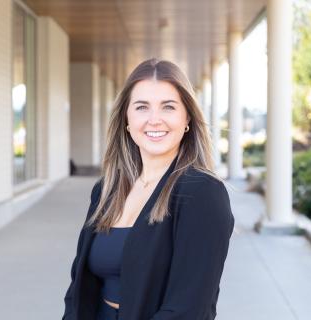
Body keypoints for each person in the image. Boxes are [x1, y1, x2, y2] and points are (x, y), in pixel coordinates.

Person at [62, 58, 235, 320]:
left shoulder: (203, 194)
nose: (154, 120)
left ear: (186, 117)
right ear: (127, 119)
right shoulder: (106, 190)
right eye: (142, 107)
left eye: (168, 107)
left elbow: (189, 309)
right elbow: (78, 288)